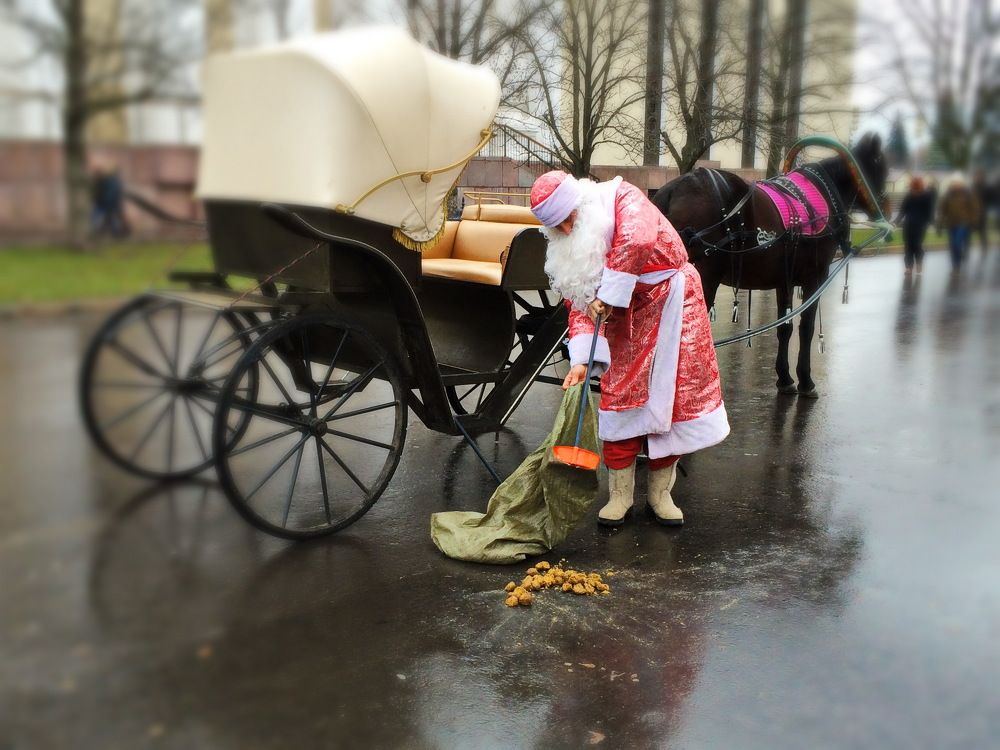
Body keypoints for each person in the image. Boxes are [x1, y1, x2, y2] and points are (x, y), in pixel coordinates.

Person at [529, 170, 729, 527]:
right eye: (557, 227)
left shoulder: (623, 198)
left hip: (672, 307)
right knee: (621, 401)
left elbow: (637, 241)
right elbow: (578, 301)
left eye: (568, 219)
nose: (566, 230)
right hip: (626, 319)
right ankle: (620, 496)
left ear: (580, 205)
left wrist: (608, 295)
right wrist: (581, 361)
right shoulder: (570, 247)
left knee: (673, 403)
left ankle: (660, 495)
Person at [938, 173, 981, 272]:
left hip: (963, 222)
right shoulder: (948, 195)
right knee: (952, 245)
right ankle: (955, 265)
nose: (955, 185)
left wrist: (974, 221)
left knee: (957, 243)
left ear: (961, 184)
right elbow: (942, 210)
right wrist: (939, 224)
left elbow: (974, 208)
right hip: (951, 223)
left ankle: (961, 256)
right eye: (954, 183)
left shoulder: (968, 194)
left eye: (957, 183)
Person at [894, 176, 936, 275]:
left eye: (916, 184)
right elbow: (902, 211)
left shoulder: (927, 196)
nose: (915, 186)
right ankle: (909, 267)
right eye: (914, 184)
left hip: (920, 226)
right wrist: (895, 222)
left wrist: (932, 222)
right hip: (908, 225)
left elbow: (930, 211)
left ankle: (919, 262)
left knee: (917, 245)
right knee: (908, 246)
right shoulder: (908, 196)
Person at [972, 170, 994, 257]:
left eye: (979, 176)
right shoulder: (973, 187)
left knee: (982, 231)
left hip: (982, 212)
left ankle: (984, 248)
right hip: (972, 212)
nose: (978, 178)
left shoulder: (986, 187)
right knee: (969, 230)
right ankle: (966, 248)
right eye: (977, 176)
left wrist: (985, 206)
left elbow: (991, 199)